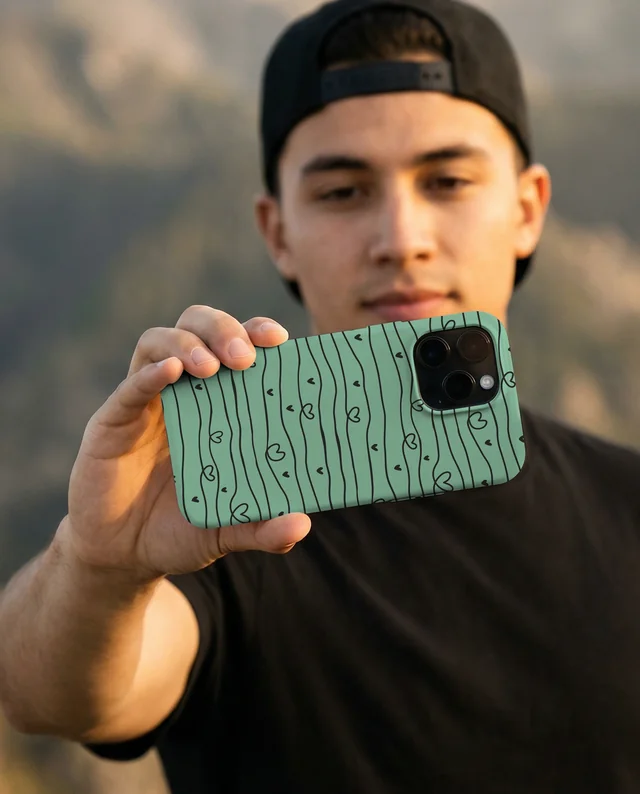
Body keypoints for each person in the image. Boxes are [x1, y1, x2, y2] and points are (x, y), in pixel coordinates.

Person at [1, 0, 640, 791]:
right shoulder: (231, 523)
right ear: (277, 234)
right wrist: (97, 564)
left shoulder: (629, 502)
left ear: (526, 209)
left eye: (447, 180)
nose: (401, 235)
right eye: (343, 192)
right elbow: (50, 696)